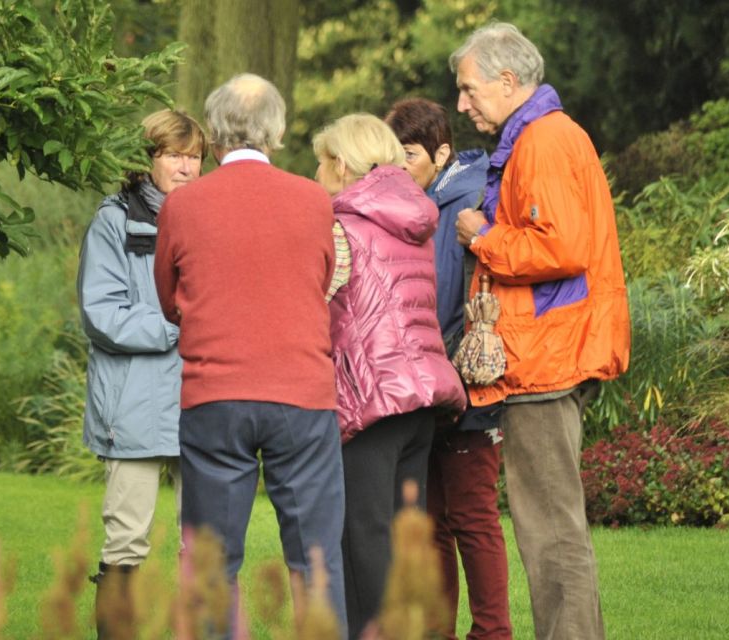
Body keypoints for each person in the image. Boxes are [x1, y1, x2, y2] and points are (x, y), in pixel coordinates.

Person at [449, 22, 631, 640]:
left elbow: (562, 246)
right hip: (546, 353)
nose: (461, 103)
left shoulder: (544, 141)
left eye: (469, 89)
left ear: (508, 81)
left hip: (548, 359)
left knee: (550, 532)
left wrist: (483, 236)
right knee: (553, 529)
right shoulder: (542, 135)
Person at [153, 73, 348, 636]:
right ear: (278, 132)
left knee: (211, 562)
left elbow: (170, 298)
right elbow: (324, 278)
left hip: (216, 394)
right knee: (315, 559)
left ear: (212, 135)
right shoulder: (314, 200)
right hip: (302, 393)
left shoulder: (183, 205)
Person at [312, 113, 467, 640]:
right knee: (406, 538)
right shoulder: (413, 220)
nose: (315, 171)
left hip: (371, 397)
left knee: (364, 537)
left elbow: (321, 304)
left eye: (320, 160)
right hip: (419, 395)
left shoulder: (343, 226)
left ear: (341, 164)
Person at [385, 97, 511, 640]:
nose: (398, 167)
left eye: (408, 155)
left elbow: (447, 299)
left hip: (469, 381)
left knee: (473, 517)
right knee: (431, 521)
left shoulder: (472, 198)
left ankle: (491, 632)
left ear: (441, 152)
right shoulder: (416, 201)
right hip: (424, 385)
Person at [77, 109, 206, 636]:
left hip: (200, 399)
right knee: (127, 539)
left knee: (203, 540)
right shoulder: (114, 221)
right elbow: (102, 315)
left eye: (195, 156)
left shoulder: (207, 218)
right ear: (147, 159)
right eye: (174, 154)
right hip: (134, 405)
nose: (186, 167)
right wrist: (182, 325)